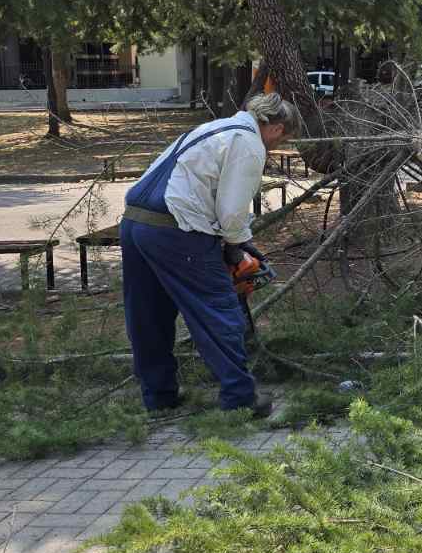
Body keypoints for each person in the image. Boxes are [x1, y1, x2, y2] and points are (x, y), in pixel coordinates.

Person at [119, 92, 303, 415]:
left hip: (135, 223)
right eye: (283, 138)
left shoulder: (211, 129)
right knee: (219, 311)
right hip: (175, 230)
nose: (277, 146)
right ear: (276, 128)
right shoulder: (248, 143)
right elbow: (231, 213)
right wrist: (234, 248)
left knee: (148, 316)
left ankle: (159, 398)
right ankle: (240, 399)